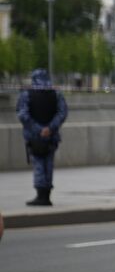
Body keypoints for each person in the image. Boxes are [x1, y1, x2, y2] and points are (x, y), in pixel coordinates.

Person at [17, 68, 67, 207]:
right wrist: (50, 128)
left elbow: (23, 115)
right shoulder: (56, 94)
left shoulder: (27, 94)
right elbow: (62, 113)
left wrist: (39, 129)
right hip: (52, 137)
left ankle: (40, 196)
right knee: (48, 164)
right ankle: (47, 195)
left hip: (34, 137)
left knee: (38, 164)